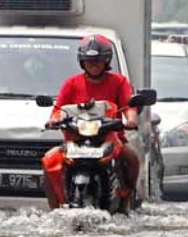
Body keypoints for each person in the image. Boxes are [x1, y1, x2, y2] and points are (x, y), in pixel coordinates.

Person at [41, 34, 140, 214]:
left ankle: (126, 197)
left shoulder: (119, 82)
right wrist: (53, 120)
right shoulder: (71, 83)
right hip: (75, 139)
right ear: (82, 62)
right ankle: (54, 209)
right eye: (89, 61)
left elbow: (129, 105)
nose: (93, 64)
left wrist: (131, 120)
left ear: (106, 61)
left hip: (111, 138)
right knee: (49, 160)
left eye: (98, 61)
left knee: (132, 158)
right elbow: (58, 109)